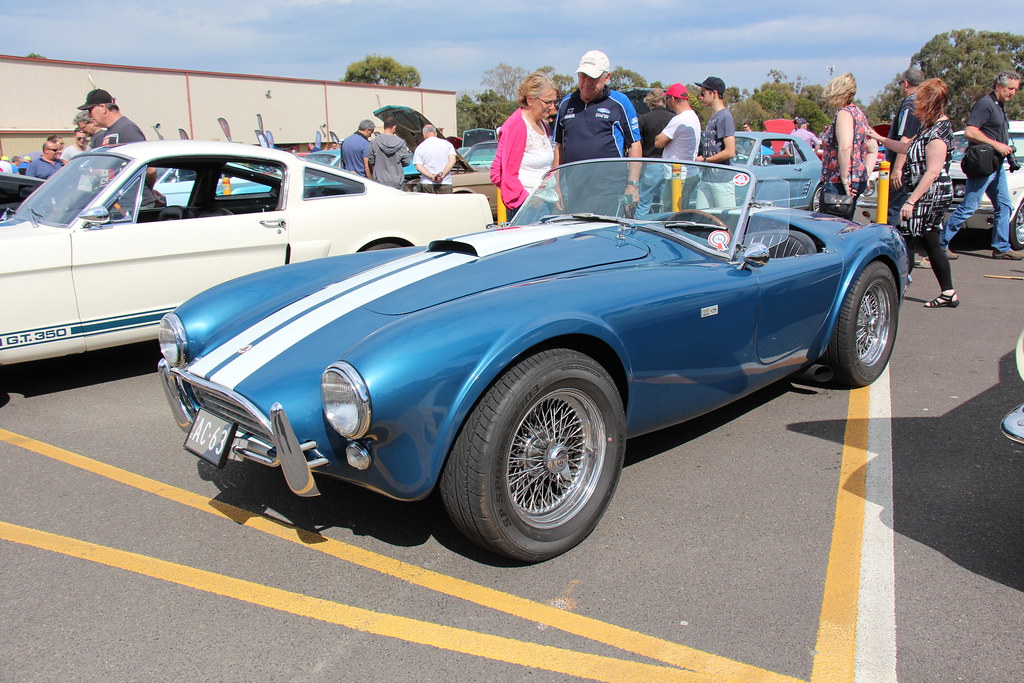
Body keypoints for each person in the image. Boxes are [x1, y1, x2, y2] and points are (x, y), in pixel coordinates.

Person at [868, 79, 958, 308]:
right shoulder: (928, 127)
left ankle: (894, 289)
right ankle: (947, 291)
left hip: (930, 194)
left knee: (908, 240)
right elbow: (907, 148)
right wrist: (879, 138)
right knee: (930, 242)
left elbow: (933, 172)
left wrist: (911, 201)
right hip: (925, 193)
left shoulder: (938, 132)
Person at [940, 69, 1022, 259]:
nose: (1013, 93)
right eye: (1010, 88)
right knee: (969, 206)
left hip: (996, 165)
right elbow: (970, 131)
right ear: (999, 86)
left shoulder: (999, 106)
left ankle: (1001, 247)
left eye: (1015, 89)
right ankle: (941, 244)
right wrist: (996, 144)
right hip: (983, 165)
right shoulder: (985, 105)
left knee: (1004, 205)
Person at [553, 50, 642, 212]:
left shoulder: (619, 102)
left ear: (607, 77)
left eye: (593, 78)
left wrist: (632, 186)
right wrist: (556, 187)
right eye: (583, 76)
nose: (587, 82)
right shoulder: (566, 104)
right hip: (575, 190)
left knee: (611, 235)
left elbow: (635, 144)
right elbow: (559, 147)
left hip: (611, 190)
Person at [490, 72, 557, 218]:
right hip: (529, 207)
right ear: (530, 99)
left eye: (554, 102)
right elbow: (498, 172)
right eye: (548, 102)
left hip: (545, 201)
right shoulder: (517, 126)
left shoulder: (541, 123)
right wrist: (527, 200)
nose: (552, 107)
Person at [819, 73, 878, 220]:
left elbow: (845, 147)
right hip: (855, 180)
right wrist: (864, 174)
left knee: (830, 228)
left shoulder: (844, 114)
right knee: (846, 224)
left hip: (837, 182)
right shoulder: (859, 114)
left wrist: (845, 178)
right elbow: (872, 148)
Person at [886, 68, 925, 228]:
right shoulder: (924, 103)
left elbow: (906, 138)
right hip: (915, 167)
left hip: (904, 168)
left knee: (894, 211)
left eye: (900, 83)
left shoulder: (910, 104)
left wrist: (897, 169)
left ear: (906, 83)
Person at [694, 76, 737, 208]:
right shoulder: (714, 117)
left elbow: (730, 151)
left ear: (714, 94)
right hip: (707, 178)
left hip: (722, 180)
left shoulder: (725, 117)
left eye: (703, 93)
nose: (700, 97)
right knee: (702, 219)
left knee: (727, 221)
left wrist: (706, 160)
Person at [77, 89, 145, 146]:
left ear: (103, 108)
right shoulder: (110, 130)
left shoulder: (127, 130)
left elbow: (141, 157)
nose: (89, 116)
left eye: (90, 110)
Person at [367, 117, 412, 189]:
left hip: (379, 182)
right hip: (397, 182)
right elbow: (406, 162)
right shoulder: (401, 142)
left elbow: (371, 161)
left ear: (384, 126)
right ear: (394, 126)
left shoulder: (374, 142)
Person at [413, 125, 456, 193]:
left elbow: (419, 167)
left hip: (427, 183)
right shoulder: (448, 144)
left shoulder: (420, 148)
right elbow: (452, 161)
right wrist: (442, 175)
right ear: (436, 134)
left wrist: (432, 176)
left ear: (424, 135)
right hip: (445, 182)